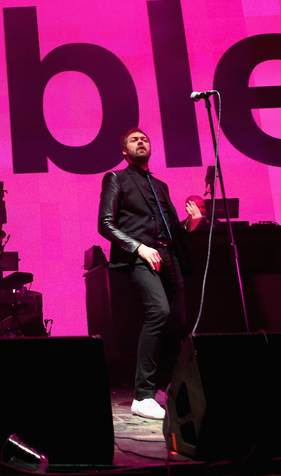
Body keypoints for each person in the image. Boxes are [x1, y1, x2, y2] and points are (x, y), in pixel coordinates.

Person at [98, 127, 202, 420]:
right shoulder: (116, 178)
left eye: (144, 139)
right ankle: (142, 395)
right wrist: (139, 248)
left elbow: (171, 230)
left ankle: (163, 389)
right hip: (140, 257)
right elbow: (105, 224)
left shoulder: (160, 185)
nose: (141, 142)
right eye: (134, 140)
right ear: (125, 150)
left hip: (169, 256)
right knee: (158, 311)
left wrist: (190, 224)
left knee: (179, 323)